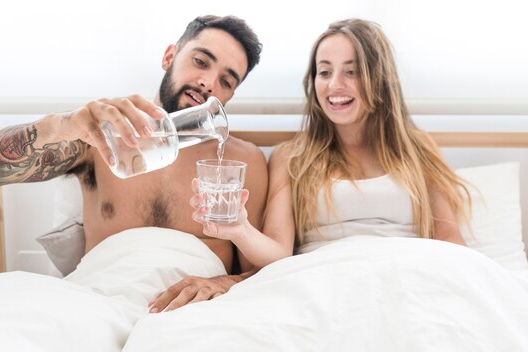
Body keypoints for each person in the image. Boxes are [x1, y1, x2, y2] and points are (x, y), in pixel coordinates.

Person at [0, 15, 268, 312]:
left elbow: (263, 270)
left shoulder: (243, 163)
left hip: (191, 312)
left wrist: (223, 284)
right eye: (201, 62)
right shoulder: (98, 137)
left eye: (226, 81)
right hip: (97, 300)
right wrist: (61, 125)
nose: (208, 82)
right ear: (169, 56)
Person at [189, 18, 472, 269]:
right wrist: (240, 228)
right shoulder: (292, 156)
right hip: (326, 282)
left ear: (380, 79)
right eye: (324, 72)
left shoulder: (416, 149)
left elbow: (449, 241)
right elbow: (278, 253)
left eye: (352, 72)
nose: (335, 85)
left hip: (407, 276)